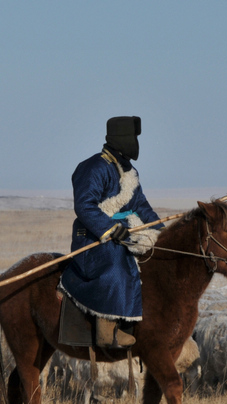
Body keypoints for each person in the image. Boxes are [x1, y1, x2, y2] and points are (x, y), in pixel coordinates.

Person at [59, 116, 164, 348]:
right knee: (118, 263)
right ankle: (106, 329)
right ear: (122, 139)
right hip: (92, 237)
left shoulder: (129, 171)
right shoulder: (94, 167)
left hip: (123, 234)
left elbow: (141, 207)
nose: (136, 142)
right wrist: (109, 229)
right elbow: (84, 205)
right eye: (133, 137)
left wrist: (161, 231)